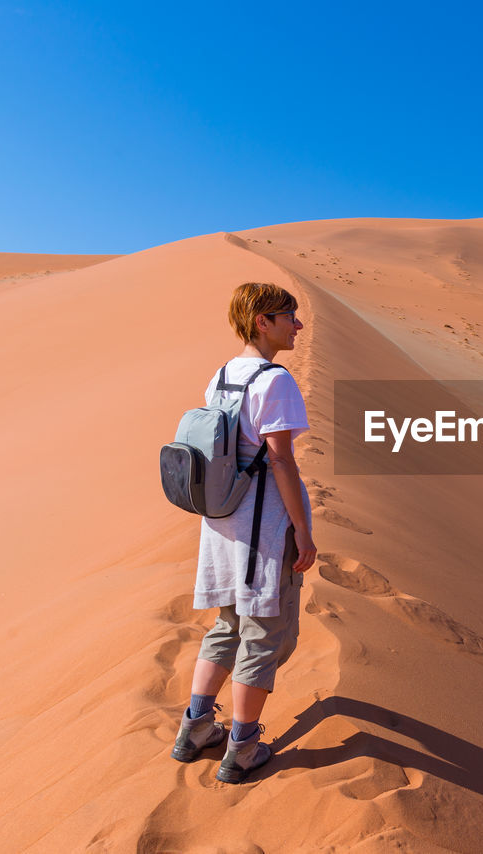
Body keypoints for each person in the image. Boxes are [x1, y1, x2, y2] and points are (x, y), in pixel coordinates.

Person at [170, 281, 317, 784]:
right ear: (263, 321)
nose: (297, 325)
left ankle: (195, 729)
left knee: (226, 627)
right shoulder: (275, 381)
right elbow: (280, 459)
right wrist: (302, 527)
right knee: (261, 637)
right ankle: (243, 748)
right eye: (288, 316)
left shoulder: (222, 375)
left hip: (223, 528)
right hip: (263, 533)